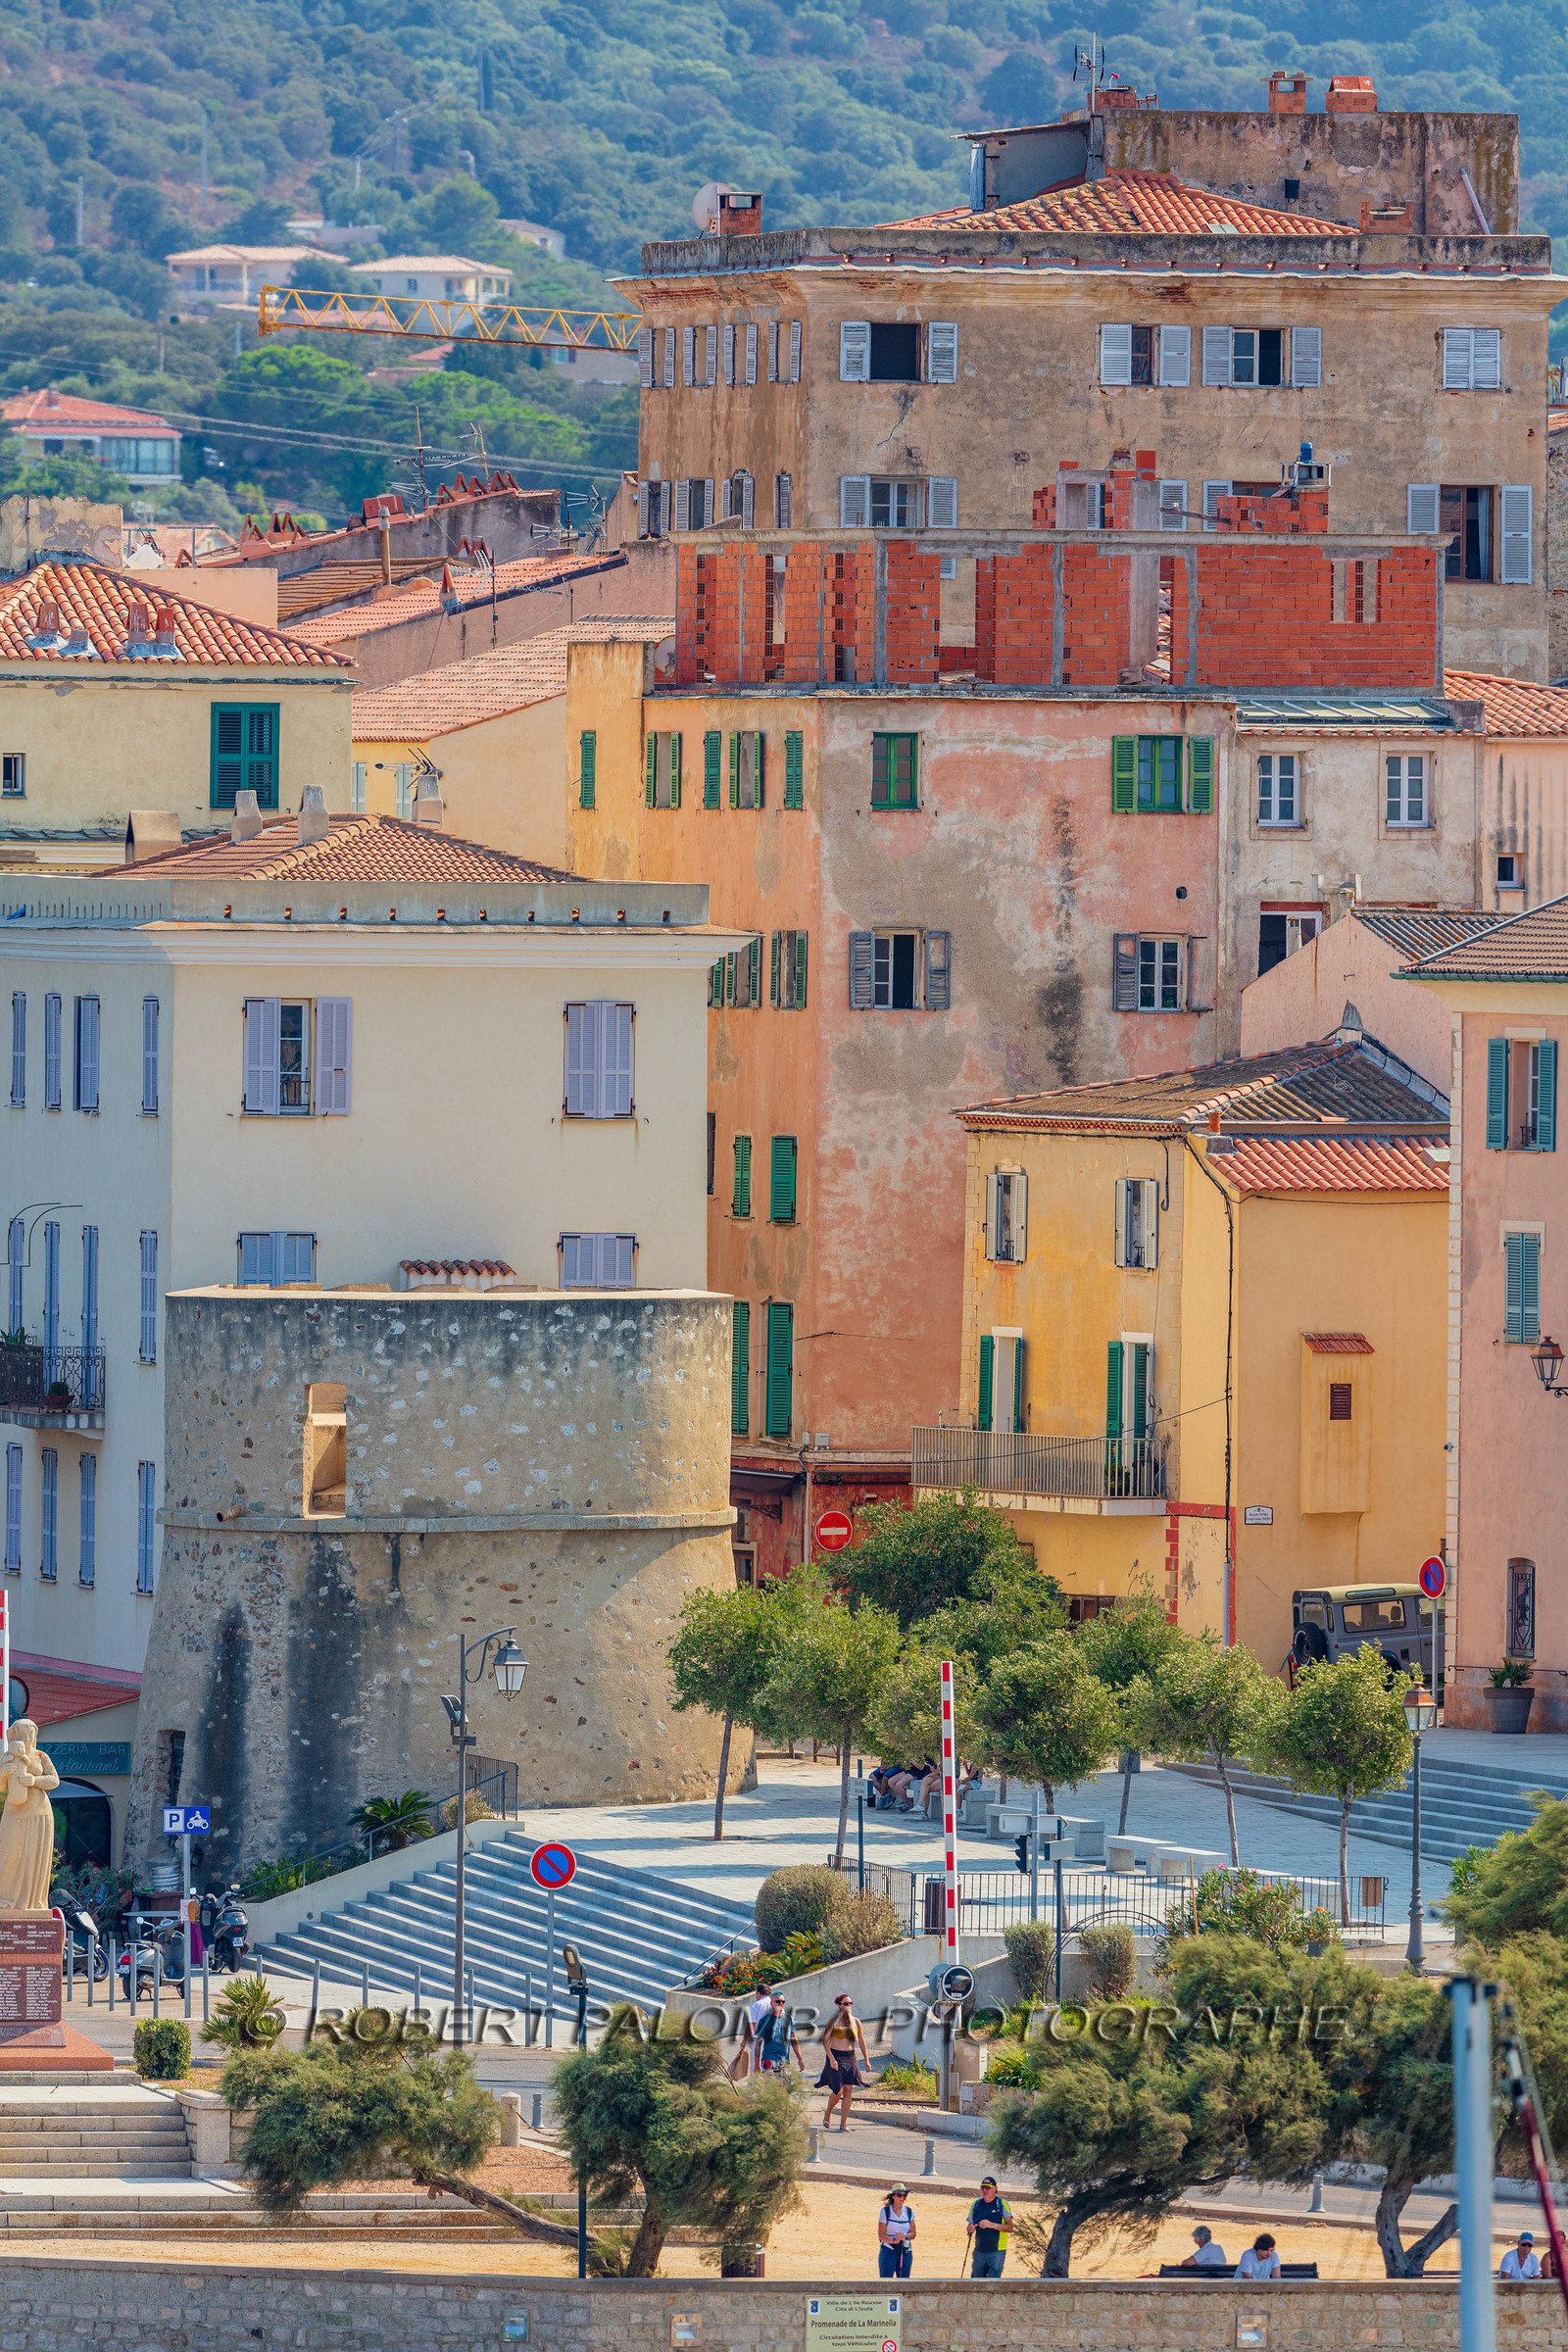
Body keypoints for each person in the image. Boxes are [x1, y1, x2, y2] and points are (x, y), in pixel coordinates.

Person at [818, 1991, 870, 2131]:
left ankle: (843, 2124)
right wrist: (831, 2058)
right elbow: (825, 2041)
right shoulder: (833, 2021)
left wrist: (867, 2060)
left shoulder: (856, 2021)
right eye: (846, 2003)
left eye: (851, 2003)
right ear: (839, 2005)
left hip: (850, 2057)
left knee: (848, 2090)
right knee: (838, 2090)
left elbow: (862, 2041)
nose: (849, 2005)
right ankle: (828, 2112)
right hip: (835, 2056)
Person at [966, 2177, 1011, 2278]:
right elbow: (970, 2224)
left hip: (997, 2251)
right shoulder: (976, 2204)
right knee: (976, 2282)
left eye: (987, 2187)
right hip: (979, 2251)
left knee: (992, 2284)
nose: (984, 2190)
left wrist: (992, 2225)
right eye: (982, 2187)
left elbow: (1010, 2228)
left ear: (995, 2189)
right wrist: (970, 2228)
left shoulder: (1001, 2204)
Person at [752, 1992, 806, 2076]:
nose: (780, 2003)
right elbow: (758, 2044)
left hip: (785, 2061)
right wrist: (756, 2066)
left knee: (786, 2088)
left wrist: (800, 2059)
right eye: (777, 2001)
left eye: (783, 2001)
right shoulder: (765, 2020)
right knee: (772, 2088)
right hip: (770, 2061)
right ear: (771, 2003)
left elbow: (793, 2040)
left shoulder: (788, 2019)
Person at [878, 2183, 916, 2278]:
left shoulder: (909, 2211)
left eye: (904, 2195)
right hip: (888, 2249)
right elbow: (881, 2234)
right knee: (885, 2282)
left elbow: (913, 2233)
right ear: (893, 2196)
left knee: (904, 2281)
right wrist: (893, 2240)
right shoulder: (885, 2211)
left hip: (905, 2250)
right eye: (899, 2195)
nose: (902, 2198)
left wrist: (905, 2236)